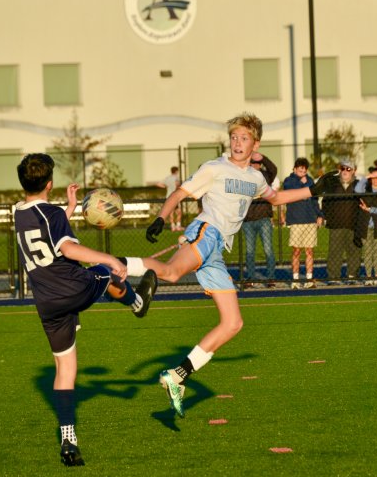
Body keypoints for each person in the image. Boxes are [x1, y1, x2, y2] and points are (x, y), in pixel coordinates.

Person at [134, 112, 337, 418]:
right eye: (234, 137)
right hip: (207, 232)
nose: (238, 143)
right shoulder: (215, 168)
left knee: (233, 323)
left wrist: (313, 190)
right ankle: (117, 268)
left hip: (218, 250)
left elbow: (276, 197)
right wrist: (161, 218)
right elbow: (179, 192)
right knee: (172, 272)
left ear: (256, 144)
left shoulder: (255, 178)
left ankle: (177, 376)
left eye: (244, 138)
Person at [14, 153, 158, 466]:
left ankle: (68, 438)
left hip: (47, 302)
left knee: (65, 370)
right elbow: (67, 247)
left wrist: (68, 206)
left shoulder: (19, 212)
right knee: (107, 271)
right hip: (71, 286)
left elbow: (46, 226)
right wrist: (107, 258)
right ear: (49, 183)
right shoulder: (49, 212)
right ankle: (137, 302)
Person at [282, 157, 323, 289]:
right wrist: (303, 183)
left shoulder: (310, 180)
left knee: (309, 251)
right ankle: (295, 279)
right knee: (296, 251)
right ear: (294, 169)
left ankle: (309, 279)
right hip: (296, 220)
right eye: (300, 170)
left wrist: (319, 215)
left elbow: (314, 199)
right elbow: (291, 189)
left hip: (310, 220)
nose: (303, 173)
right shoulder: (290, 181)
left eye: (304, 171)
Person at [241, 152, 278, 288]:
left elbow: (273, 169)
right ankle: (250, 278)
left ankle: (271, 278)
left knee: (268, 250)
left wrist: (262, 157)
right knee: (250, 251)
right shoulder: (244, 175)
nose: (255, 165)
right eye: (253, 162)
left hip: (264, 219)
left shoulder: (266, 176)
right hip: (248, 220)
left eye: (257, 163)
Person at [322, 159, 362, 285]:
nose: (345, 171)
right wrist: (324, 216)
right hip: (336, 224)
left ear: (354, 171)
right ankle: (334, 277)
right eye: (343, 168)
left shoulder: (359, 185)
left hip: (353, 224)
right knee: (334, 251)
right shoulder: (332, 184)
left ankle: (352, 276)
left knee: (354, 251)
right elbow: (325, 202)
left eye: (348, 169)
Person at [355, 167, 377, 285]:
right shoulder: (365, 189)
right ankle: (369, 277)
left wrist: (369, 209)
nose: (375, 180)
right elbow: (357, 189)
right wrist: (366, 177)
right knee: (368, 253)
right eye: (373, 177)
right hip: (365, 226)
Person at [156, 166, 183, 231]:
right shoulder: (176, 177)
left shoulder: (168, 178)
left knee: (171, 212)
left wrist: (165, 186)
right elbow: (177, 184)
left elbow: (158, 184)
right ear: (176, 171)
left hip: (168, 196)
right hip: (174, 196)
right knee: (179, 212)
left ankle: (173, 226)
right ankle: (178, 226)